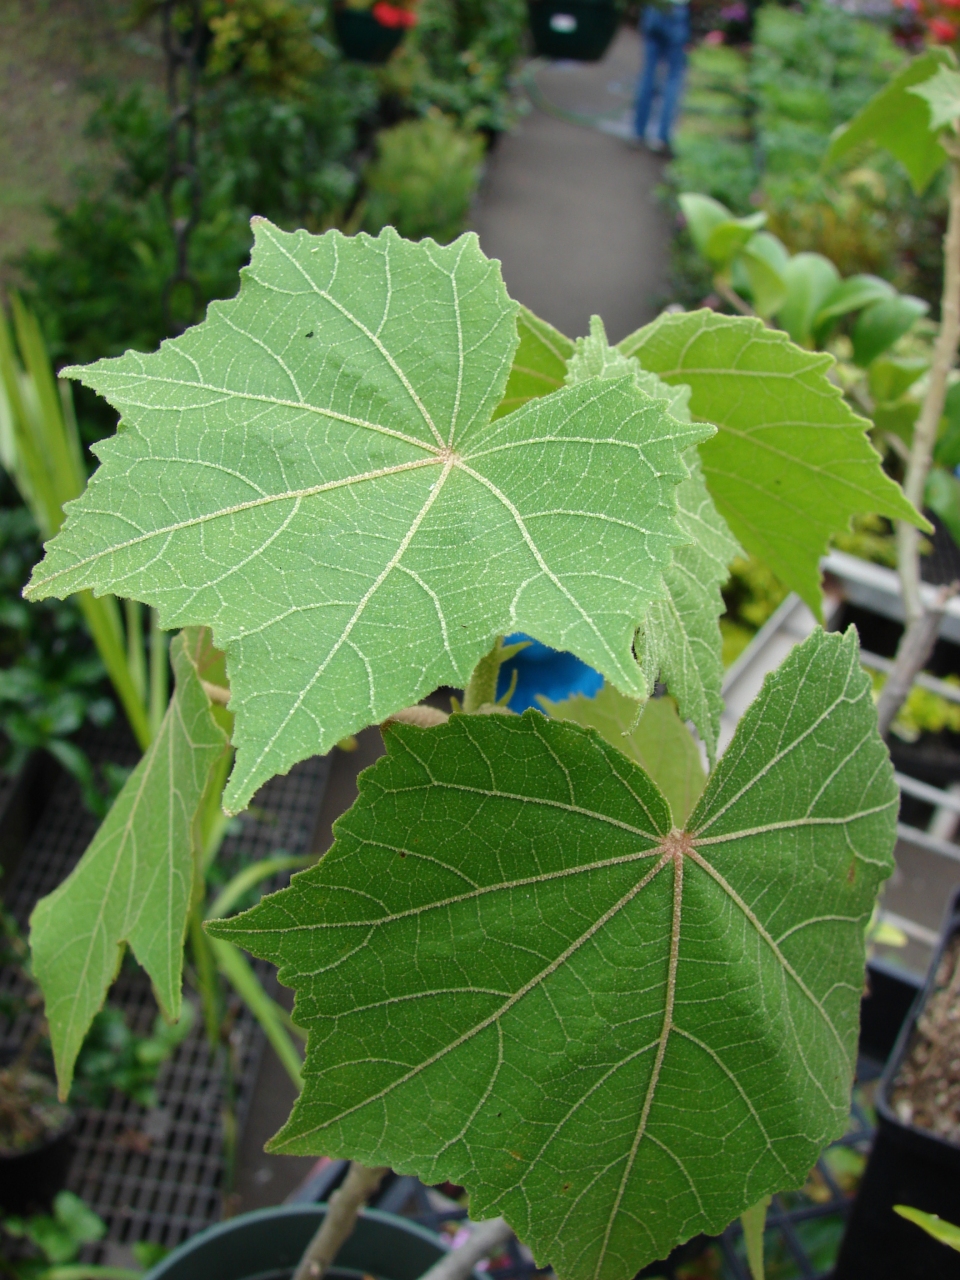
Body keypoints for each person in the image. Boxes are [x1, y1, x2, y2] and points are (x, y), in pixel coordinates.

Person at [632, 0, 690, 157]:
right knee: (673, 77)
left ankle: (637, 133)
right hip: (676, 12)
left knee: (648, 74)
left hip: (655, 10)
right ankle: (661, 137)